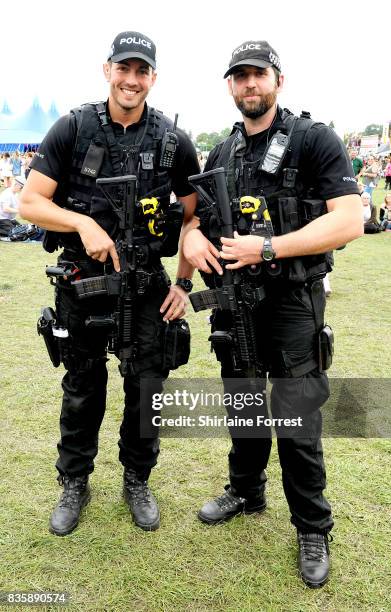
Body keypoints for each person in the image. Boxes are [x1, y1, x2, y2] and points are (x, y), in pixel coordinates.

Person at [183, 40, 363, 588]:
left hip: (290, 301)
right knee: (241, 400)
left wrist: (268, 248)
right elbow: (195, 221)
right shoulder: (222, 153)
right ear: (231, 87)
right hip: (235, 303)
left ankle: (312, 526)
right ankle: (247, 489)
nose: (249, 85)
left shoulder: (314, 140)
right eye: (239, 77)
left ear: (278, 80)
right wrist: (191, 242)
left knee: (297, 417)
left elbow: (351, 219)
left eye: (257, 74)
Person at [19, 30, 198, 536]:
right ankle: (74, 480)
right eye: (124, 69)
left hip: (145, 283)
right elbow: (28, 203)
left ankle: (137, 479)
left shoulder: (172, 141)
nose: (132, 80)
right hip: (83, 280)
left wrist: (182, 284)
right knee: (82, 384)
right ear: (107, 71)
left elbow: (193, 218)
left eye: (142, 71)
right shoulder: (72, 128)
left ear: (153, 78)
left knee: (147, 387)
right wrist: (83, 223)